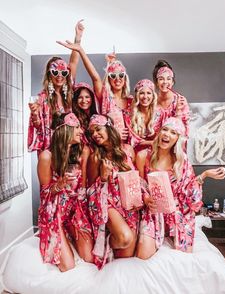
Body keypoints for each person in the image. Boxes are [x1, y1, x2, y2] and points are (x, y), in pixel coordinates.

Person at [136, 117, 203, 253]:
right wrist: (146, 198)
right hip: (153, 212)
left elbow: (191, 190)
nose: (167, 134)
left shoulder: (181, 161)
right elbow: (138, 186)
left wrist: (204, 175)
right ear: (159, 132)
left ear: (178, 139)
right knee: (143, 255)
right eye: (165, 130)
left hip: (176, 213)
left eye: (173, 132)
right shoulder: (143, 156)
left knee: (184, 256)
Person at [37, 112, 93, 271]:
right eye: (77, 128)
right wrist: (59, 184)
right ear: (65, 130)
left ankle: (70, 234)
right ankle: (61, 235)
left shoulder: (81, 152)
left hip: (74, 211)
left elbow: (82, 187)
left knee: (89, 257)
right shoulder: (46, 156)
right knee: (68, 266)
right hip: (55, 212)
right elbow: (45, 195)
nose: (81, 131)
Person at [86, 114, 141, 269]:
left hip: (129, 204)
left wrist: (141, 198)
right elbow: (89, 192)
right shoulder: (95, 157)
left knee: (125, 258)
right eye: (92, 133)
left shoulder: (128, 150)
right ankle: (104, 241)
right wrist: (103, 177)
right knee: (124, 238)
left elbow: (136, 178)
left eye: (98, 129)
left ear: (109, 128)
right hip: (108, 204)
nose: (95, 135)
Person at [57, 38, 131, 141]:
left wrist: (111, 63)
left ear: (125, 78)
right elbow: (95, 78)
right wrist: (80, 50)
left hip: (129, 145)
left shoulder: (131, 101)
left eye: (121, 75)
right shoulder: (105, 99)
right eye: (113, 75)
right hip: (105, 146)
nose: (118, 79)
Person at [28, 20, 84, 153]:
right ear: (49, 74)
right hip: (50, 146)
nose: (60, 76)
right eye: (55, 72)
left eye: (64, 72)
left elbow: (74, 62)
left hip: (70, 145)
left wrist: (78, 38)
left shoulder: (69, 92)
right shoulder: (42, 98)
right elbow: (38, 126)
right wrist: (35, 114)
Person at [152, 60, 190, 136]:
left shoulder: (180, 101)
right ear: (156, 82)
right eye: (161, 79)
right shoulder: (151, 101)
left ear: (172, 82)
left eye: (168, 78)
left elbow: (183, 133)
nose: (165, 82)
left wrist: (178, 111)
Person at [127, 79, 164, 151]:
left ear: (153, 96)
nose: (145, 96)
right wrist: (150, 143)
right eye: (142, 93)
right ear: (137, 96)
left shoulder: (160, 113)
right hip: (136, 150)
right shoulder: (129, 113)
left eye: (148, 93)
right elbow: (132, 140)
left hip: (156, 149)